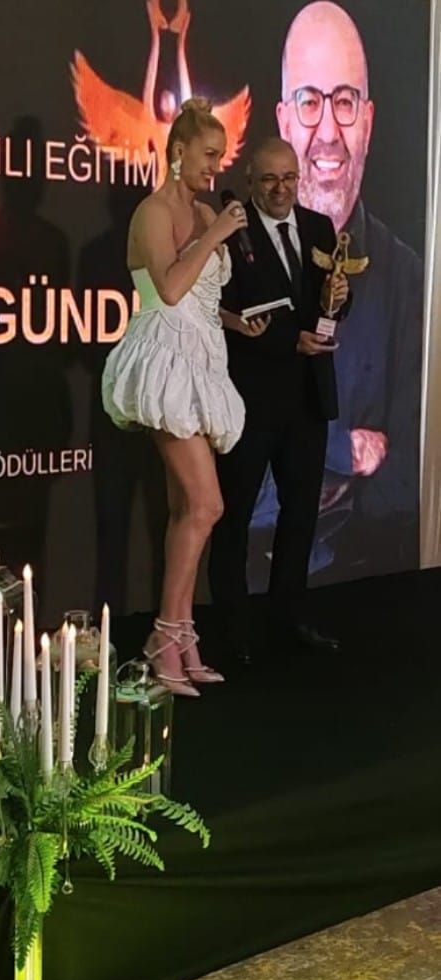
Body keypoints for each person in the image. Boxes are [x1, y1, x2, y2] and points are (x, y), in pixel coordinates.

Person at [262, 0, 422, 580]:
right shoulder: (238, 265)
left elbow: (411, 480)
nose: (328, 132)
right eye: (310, 102)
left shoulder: (410, 280)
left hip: (371, 586)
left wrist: (303, 477)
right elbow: (234, 478)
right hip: (256, 588)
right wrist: (342, 455)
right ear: (284, 122)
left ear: (369, 122)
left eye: (346, 102)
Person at [101, 97, 250, 696]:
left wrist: (237, 323)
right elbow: (166, 290)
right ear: (178, 151)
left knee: (187, 509)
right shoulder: (153, 212)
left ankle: (182, 637)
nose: (215, 166)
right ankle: (163, 637)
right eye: (209, 155)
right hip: (163, 364)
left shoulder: (203, 209)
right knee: (207, 505)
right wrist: (214, 234)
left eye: (221, 156)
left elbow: (201, 296)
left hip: (202, 362)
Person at [208, 137, 350, 664]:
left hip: (309, 397)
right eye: (269, 179)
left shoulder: (320, 227)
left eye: (289, 178)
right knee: (235, 516)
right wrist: (289, 341)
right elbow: (220, 311)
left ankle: (289, 616)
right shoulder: (230, 228)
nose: (280, 189)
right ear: (250, 181)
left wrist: (338, 299)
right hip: (250, 399)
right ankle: (231, 628)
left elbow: (331, 304)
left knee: (300, 515)